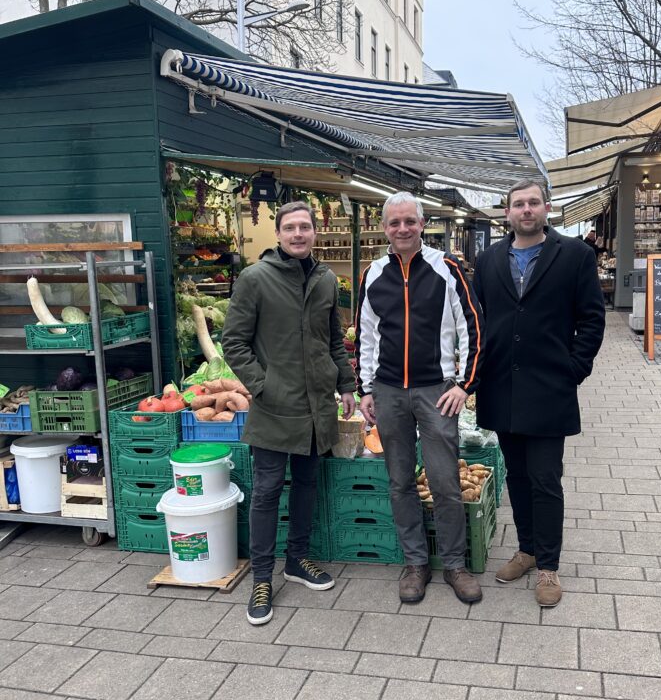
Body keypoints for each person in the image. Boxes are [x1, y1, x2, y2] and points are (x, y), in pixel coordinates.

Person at [473, 176, 605, 608]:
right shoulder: (489, 259)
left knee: (546, 478)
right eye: (518, 204)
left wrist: (573, 370)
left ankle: (548, 565)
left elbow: (591, 318)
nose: (526, 210)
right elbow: (479, 321)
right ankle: (526, 550)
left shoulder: (575, 256)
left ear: (547, 209)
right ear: (506, 213)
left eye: (533, 203)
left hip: (549, 387)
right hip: (501, 386)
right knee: (517, 475)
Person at [222, 200, 356, 626]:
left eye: (306, 227)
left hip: (317, 406)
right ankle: (262, 578)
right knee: (265, 493)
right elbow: (234, 343)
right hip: (274, 408)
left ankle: (296, 560)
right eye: (290, 228)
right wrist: (263, 386)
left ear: (314, 233)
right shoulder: (255, 278)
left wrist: (347, 384)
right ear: (278, 234)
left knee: (305, 485)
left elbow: (333, 339)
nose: (299, 234)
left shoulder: (326, 281)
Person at [356, 192, 484, 605]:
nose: (403, 229)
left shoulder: (447, 268)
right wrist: (366, 388)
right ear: (385, 228)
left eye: (410, 221)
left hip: (435, 390)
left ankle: (455, 564)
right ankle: (415, 564)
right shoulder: (373, 273)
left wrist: (464, 385)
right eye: (394, 223)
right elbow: (366, 336)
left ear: (422, 223)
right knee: (400, 482)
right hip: (389, 392)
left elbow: (473, 328)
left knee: (445, 482)